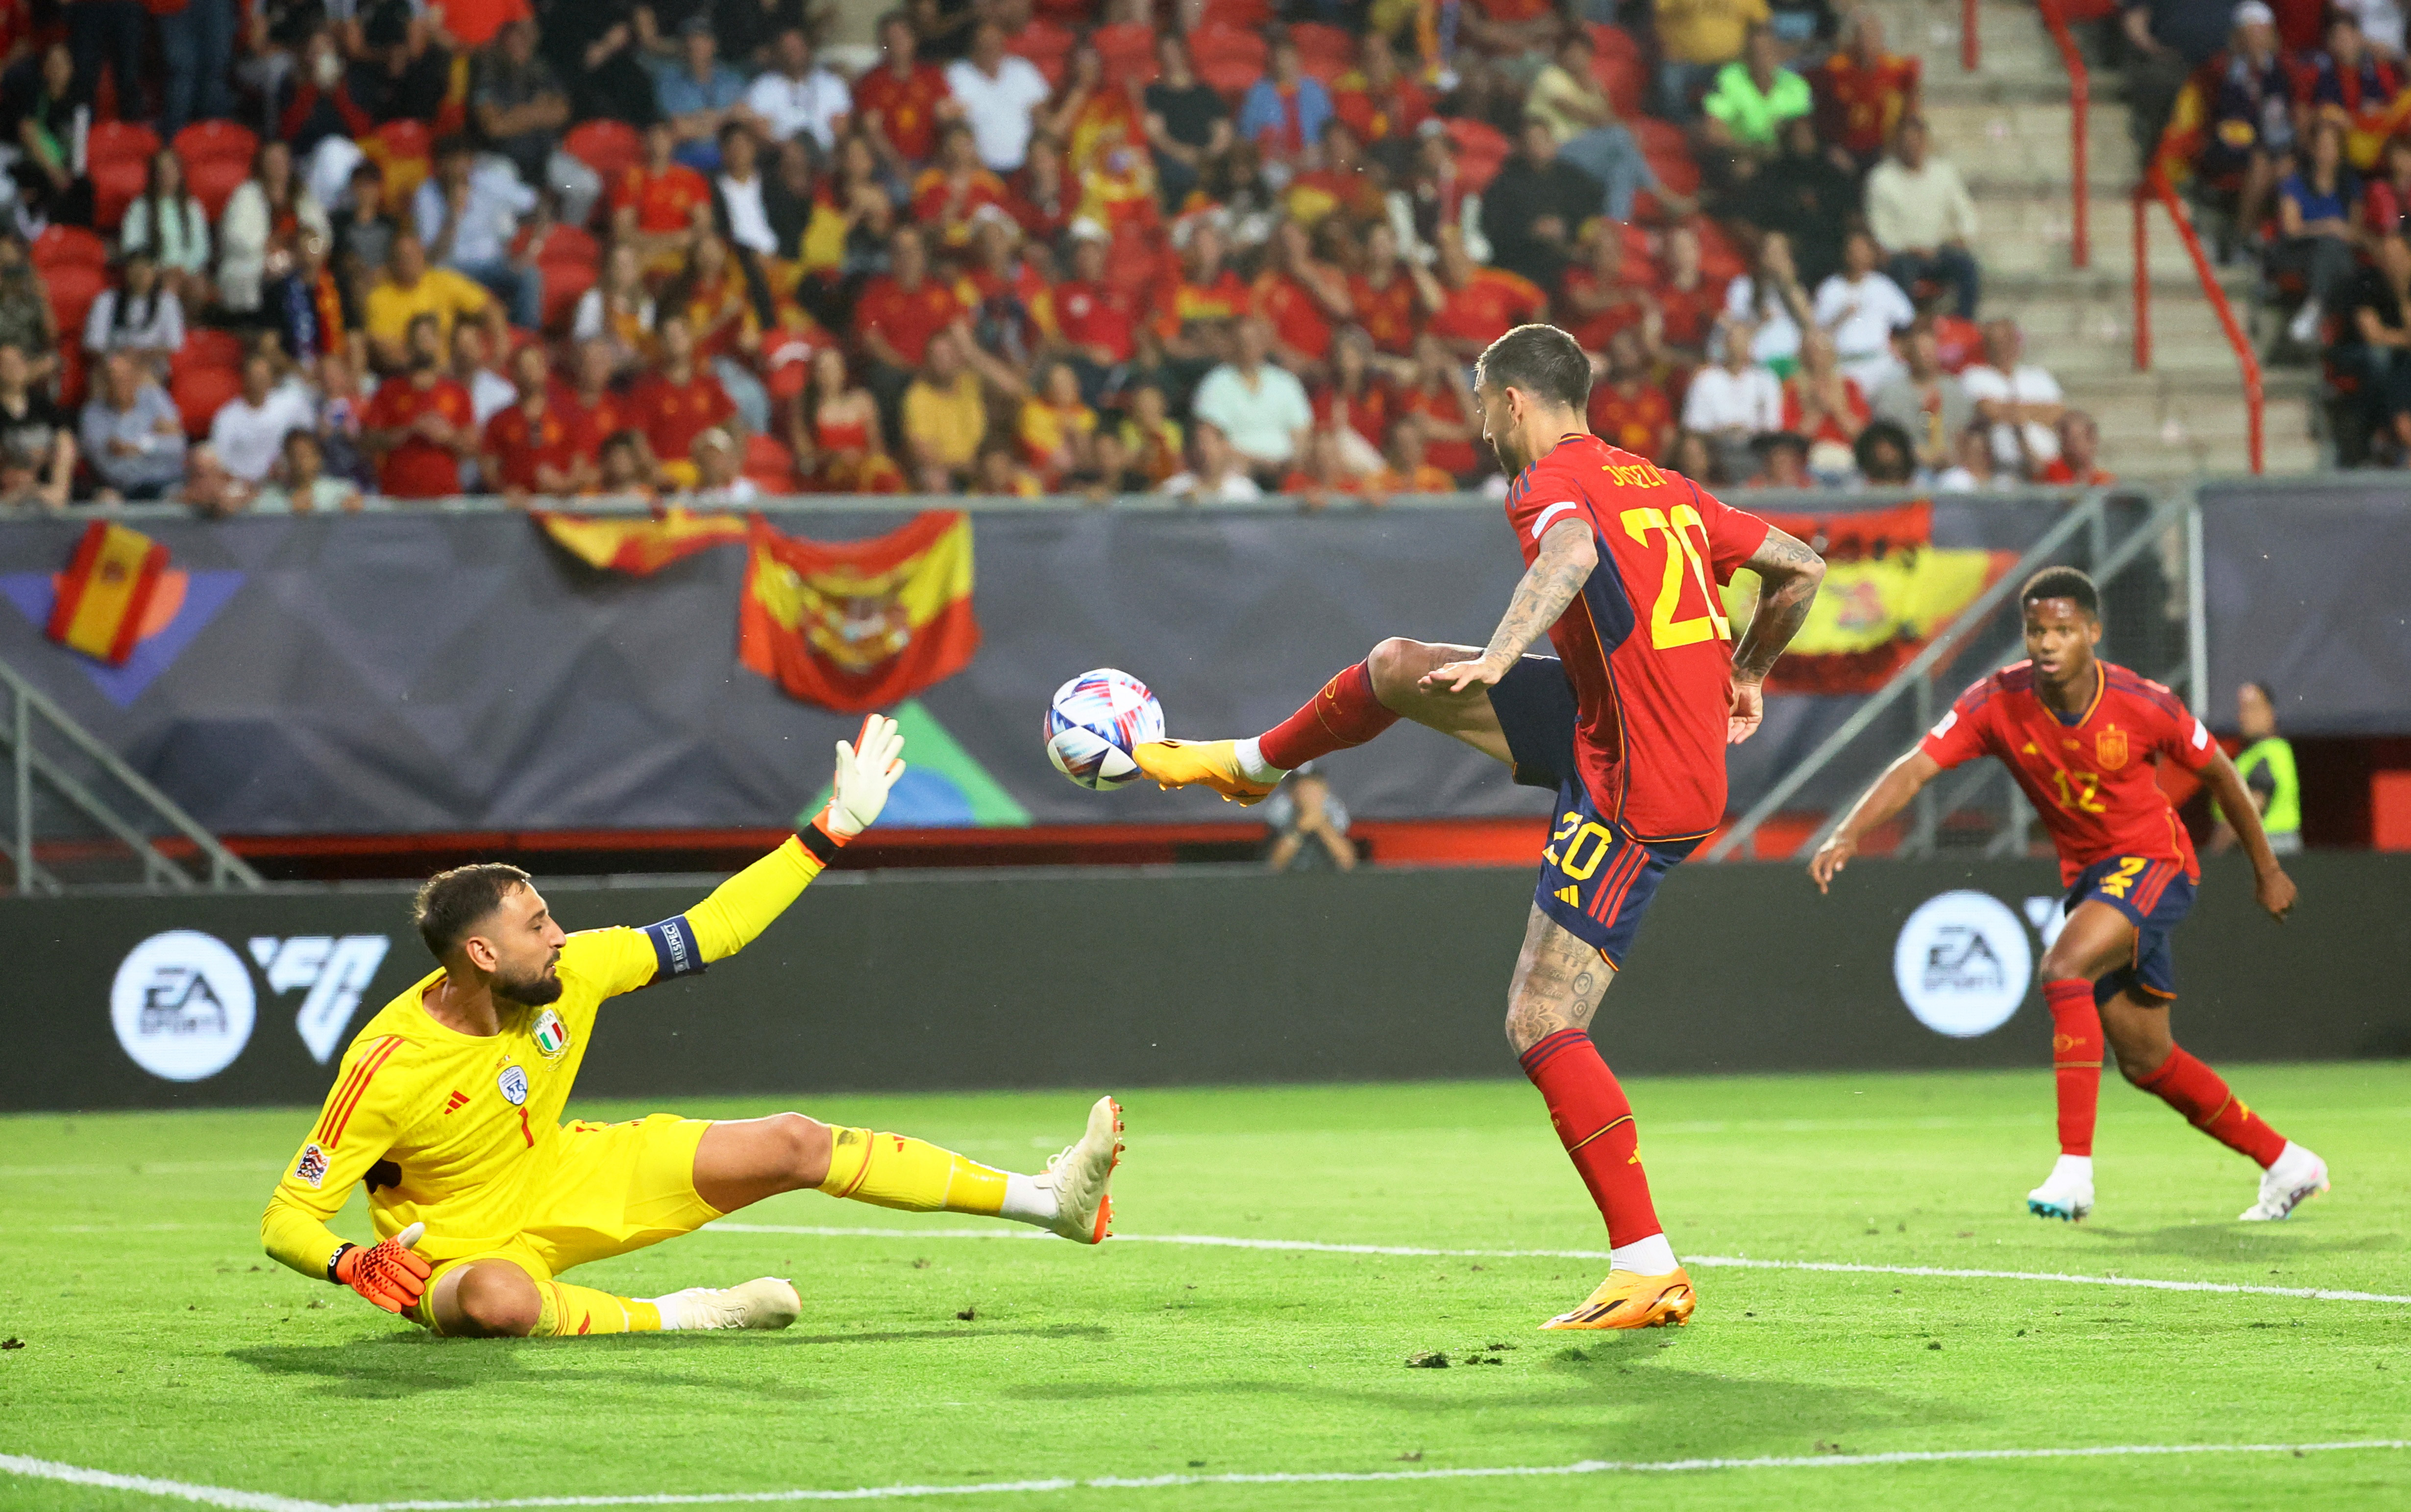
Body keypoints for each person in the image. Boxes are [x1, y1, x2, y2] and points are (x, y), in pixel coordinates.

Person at [1133, 323, 1825, 1330]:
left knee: (1542, 1018)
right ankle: (1253, 765)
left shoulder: (1548, 483)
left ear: (1511, 401)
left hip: (1641, 784)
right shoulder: (1664, 483)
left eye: (1476, 402)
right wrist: (1750, 670)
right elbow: (1800, 565)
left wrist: (1503, 653)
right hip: (1610, 727)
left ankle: (1648, 1265)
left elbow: (1572, 554)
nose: (1475, 425)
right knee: (1397, 666)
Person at [260, 716, 1126, 1338]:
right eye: (537, 925)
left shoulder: (575, 972)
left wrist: (832, 831)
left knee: (792, 1141)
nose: (560, 934)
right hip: (452, 1253)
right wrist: (350, 1264)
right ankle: (688, 1314)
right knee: (500, 1306)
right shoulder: (390, 1062)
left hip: (567, 1174)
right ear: (481, 954)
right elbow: (287, 1218)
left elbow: (714, 928)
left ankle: (1050, 1201)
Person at [1810, 566, 2327, 1226]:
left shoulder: (2143, 702)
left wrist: (2266, 870)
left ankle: (2074, 1168)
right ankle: (2286, 1162)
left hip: (2157, 864)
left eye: (2062, 630)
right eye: (2035, 630)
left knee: (2062, 966)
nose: (2047, 643)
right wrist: (1851, 832)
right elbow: (1916, 767)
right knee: (2147, 1061)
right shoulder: (1995, 701)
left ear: (2093, 632)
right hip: (2092, 880)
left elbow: (2223, 775)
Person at [414, 135, 543, 333]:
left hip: (493, 263)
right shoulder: (426, 194)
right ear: (439, 165)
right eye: (452, 162)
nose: (459, 168)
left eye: (464, 161)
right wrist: (453, 216)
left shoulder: (488, 182)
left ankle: (524, 336)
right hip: (451, 268)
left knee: (530, 275)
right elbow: (432, 257)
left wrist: (530, 250)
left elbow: (541, 207)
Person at [1863, 115, 1979, 318]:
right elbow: (1879, 229)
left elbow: (1966, 214)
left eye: (1917, 141)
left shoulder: (1944, 173)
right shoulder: (1881, 178)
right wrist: (1911, 248)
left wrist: (1961, 236)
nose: (1912, 147)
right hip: (1904, 254)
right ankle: (1906, 330)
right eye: (1906, 142)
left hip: (1941, 251)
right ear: (1897, 145)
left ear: (1926, 142)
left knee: (1968, 267)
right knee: (1900, 271)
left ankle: (1964, 324)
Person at [1482, 117, 1608, 291]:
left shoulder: (1574, 177)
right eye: (1532, 141)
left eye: (1543, 139)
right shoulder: (1504, 184)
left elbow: (1593, 208)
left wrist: (1567, 226)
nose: (1538, 146)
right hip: (1526, 258)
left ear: (1553, 142)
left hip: (1571, 251)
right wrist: (1531, 230)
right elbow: (1495, 228)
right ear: (1522, 147)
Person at [362, 312, 476, 499]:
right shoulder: (389, 391)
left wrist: (448, 437)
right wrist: (409, 431)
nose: (423, 345)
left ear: (438, 344)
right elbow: (367, 442)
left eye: (428, 338)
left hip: (445, 495)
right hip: (398, 496)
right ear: (409, 345)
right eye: (418, 339)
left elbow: (473, 447)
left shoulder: (457, 393)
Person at [1189, 316, 1314, 480]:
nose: (1248, 346)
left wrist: (1292, 464)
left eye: (1254, 340)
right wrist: (1256, 463)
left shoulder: (1286, 383)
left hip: (1286, 472)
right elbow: (1209, 438)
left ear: (1264, 344)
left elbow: (1302, 433)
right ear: (1233, 344)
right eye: (1242, 341)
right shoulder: (1215, 384)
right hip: (1236, 471)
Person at [2273, 117, 2363, 346]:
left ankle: (2314, 310)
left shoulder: (2350, 185)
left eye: (2332, 147)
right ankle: (2317, 314)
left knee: (2335, 251)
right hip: (2299, 250)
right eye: (2322, 146)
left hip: (2336, 254)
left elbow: (2355, 232)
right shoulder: (2295, 182)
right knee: (2332, 248)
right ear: (2313, 150)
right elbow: (2292, 229)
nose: (2326, 152)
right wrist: (2328, 227)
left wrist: (2338, 231)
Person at [364, 231, 505, 372]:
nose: (410, 261)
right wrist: (427, 369)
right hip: (410, 372)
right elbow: (383, 347)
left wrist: (500, 349)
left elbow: (489, 307)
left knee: (466, 336)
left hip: (451, 367)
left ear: (422, 255)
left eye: (414, 255)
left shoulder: (442, 280)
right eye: (404, 257)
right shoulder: (380, 298)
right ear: (393, 262)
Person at [218, 139, 331, 316]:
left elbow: (322, 235)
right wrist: (266, 244)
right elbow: (234, 238)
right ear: (262, 164)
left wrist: (307, 247)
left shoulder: (302, 195)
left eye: (282, 161)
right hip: (262, 262)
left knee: (313, 253)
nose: (278, 166)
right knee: (279, 267)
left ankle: (316, 317)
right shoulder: (247, 195)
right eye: (273, 161)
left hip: (299, 258)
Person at [1812, 228, 1914, 392]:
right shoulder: (1830, 288)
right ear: (1845, 254)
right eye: (1853, 251)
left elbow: (1908, 321)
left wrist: (1899, 345)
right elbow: (1817, 334)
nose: (1858, 256)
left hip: (1879, 362)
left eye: (1863, 251)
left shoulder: (1883, 286)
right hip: (1842, 365)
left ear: (1871, 254)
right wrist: (1840, 317)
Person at [1682, 320, 1783, 480]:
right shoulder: (1706, 378)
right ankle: (1699, 495)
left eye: (1743, 341)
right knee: (1692, 447)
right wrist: (1725, 431)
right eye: (1733, 341)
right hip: (1716, 446)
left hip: (1755, 446)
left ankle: (1775, 499)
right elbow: (1693, 428)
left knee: (1780, 450)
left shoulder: (1766, 379)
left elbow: (1772, 427)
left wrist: (1746, 431)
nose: (1738, 347)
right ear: (1724, 345)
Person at [946, 21, 1051, 175]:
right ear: (973, 46)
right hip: (978, 170)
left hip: (1025, 168)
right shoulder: (957, 74)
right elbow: (952, 124)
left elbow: (1041, 117)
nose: (990, 49)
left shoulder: (1022, 69)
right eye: (984, 44)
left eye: (995, 43)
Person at [652, 15, 754, 173]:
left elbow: (745, 118)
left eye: (702, 40)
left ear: (713, 44)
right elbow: (680, 129)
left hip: (730, 164)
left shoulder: (732, 79)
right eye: (691, 40)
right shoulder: (669, 81)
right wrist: (727, 116)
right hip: (687, 164)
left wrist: (701, 123)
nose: (696, 45)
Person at [78, 349, 185, 501]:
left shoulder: (154, 399)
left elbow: (177, 446)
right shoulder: (93, 415)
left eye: (124, 379)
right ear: (103, 381)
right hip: (128, 488)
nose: (118, 385)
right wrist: (156, 441)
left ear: (135, 379)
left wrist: (137, 447)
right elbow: (107, 466)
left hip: (171, 480)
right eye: (112, 379)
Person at [1961, 318, 2065, 472]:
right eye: (1998, 342)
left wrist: (2014, 412)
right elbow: (1988, 410)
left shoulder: (2039, 377)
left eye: (2009, 341)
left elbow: (2058, 414)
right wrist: (2037, 410)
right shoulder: (1974, 375)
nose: (2005, 348)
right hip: (2002, 471)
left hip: (2047, 469)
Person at [1143, 32, 1232, 211]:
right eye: (1166, 52)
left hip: (1208, 159)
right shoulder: (1154, 95)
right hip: (1174, 159)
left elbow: (1223, 131)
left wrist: (1208, 155)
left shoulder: (1206, 92)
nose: (1171, 57)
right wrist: (1183, 153)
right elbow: (1156, 135)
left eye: (1175, 51)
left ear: (1185, 53)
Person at [1870, 318, 1971, 475]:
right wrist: (1917, 454)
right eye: (1920, 350)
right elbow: (1887, 438)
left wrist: (1950, 457)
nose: (1926, 356)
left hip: (1951, 468)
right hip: (1908, 471)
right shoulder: (1891, 393)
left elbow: (1965, 434)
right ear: (1909, 355)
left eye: (1930, 350)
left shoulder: (1955, 390)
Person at [2214, 681, 2302, 855]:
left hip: (2271, 848)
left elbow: (2249, 809)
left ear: (2270, 712)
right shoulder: (2252, 753)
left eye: (2253, 708)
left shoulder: (2270, 753)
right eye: (2242, 709)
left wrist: (2215, 854)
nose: (2244, 716)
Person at [208, 349, 317, 486]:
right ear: (245, 379)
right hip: (243, 487)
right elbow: (219, 461)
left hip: (285, 484)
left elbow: (308, 438)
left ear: (271, 377)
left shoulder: (290, 403)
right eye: (256, 377)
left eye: (264, 376)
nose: (260, 382)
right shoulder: (227, 417)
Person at [121, 150, 212, 308]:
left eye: (171, 170)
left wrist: (185, 269)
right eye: (162, 171)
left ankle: (194, 331)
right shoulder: (140, 208)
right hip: (155, 272)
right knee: (169, 290)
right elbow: (133, 246)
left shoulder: (192, 207)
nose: (166, 176)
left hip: (187, 271)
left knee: (199, 289)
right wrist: (159, 269)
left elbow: (202, 247)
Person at [746, 26, 849, 155]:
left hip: (825, 155)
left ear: (808, 49)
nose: (793, 52)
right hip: (780, 156)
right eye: (787, 47)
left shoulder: (832, 83)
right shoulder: (764, 86)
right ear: (778, 53)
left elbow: (842, 130)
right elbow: (760, 132)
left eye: (797, 46)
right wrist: (788, 150)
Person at [81, 249, 184, 374]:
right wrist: (119, 359)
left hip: (150, 366)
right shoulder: (107, 300)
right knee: (113, 371)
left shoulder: (167, 302)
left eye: (145, 268)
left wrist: (138, 355)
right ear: (126, 272)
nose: (140, 274)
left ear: (155, 273)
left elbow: (173, 345)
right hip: (113, 363)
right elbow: (94, 344)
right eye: (135, 268)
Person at [0, 341, 71, 510]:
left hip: (45, 486)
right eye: (7, 364)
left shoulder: (42, 403)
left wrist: (58, 486)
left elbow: (66, 443)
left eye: (19, 361)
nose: (15, 368)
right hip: (10, 490)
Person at [1264, 762, 1355, 871]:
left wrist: (1322, 826)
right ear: (1291, 792)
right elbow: (1275, 865)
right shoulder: (1282, 810)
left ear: (1323, 788)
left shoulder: (1334, 808)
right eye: (1301, 787)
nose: (1307, 793)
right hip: (1290, 881)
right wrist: (1298, 830)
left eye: (1312, 786)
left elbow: (1348, 863)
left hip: (1327, 880)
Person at [253, 427, 362, 512]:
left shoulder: (340, 492)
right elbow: (255, 510)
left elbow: (367, 504)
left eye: (304, 455)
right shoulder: (272, 495)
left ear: (318, 459)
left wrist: (356, 506)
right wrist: (288, 507)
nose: (299, 461)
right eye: (293, 455)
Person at [1159, 418, 1263, 501]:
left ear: (1224, 446)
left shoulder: (1245, 492)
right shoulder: (1176, 489)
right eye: (1199, 444)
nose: (1203, 450)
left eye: (1209, 443)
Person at [2038, 409, 2113, 484]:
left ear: (2092, 439)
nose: (2066, 448)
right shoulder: (2050, 474)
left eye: (2074, 440)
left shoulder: (2103, 480)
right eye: (2063, 441)